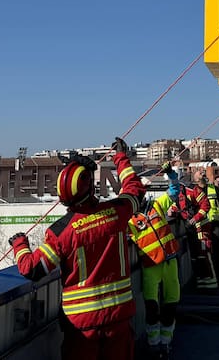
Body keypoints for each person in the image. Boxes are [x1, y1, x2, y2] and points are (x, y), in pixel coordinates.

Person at [11, 137, 144, 360]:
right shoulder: (116, 212)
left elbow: (32, 269)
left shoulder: (61, 233)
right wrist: (120, 158)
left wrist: (19, 244)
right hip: (118, 318)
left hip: (82, 327)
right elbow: (135, 191)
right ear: (91, 187)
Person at [136, 163, 184, 358]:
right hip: (150, 265)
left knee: (172, 302)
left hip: (169, 261)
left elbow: (174, 190)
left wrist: (170, 173)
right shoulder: (129, 218)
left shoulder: (156, 204)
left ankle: (166, 342)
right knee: (152, 307)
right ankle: (153, 343)